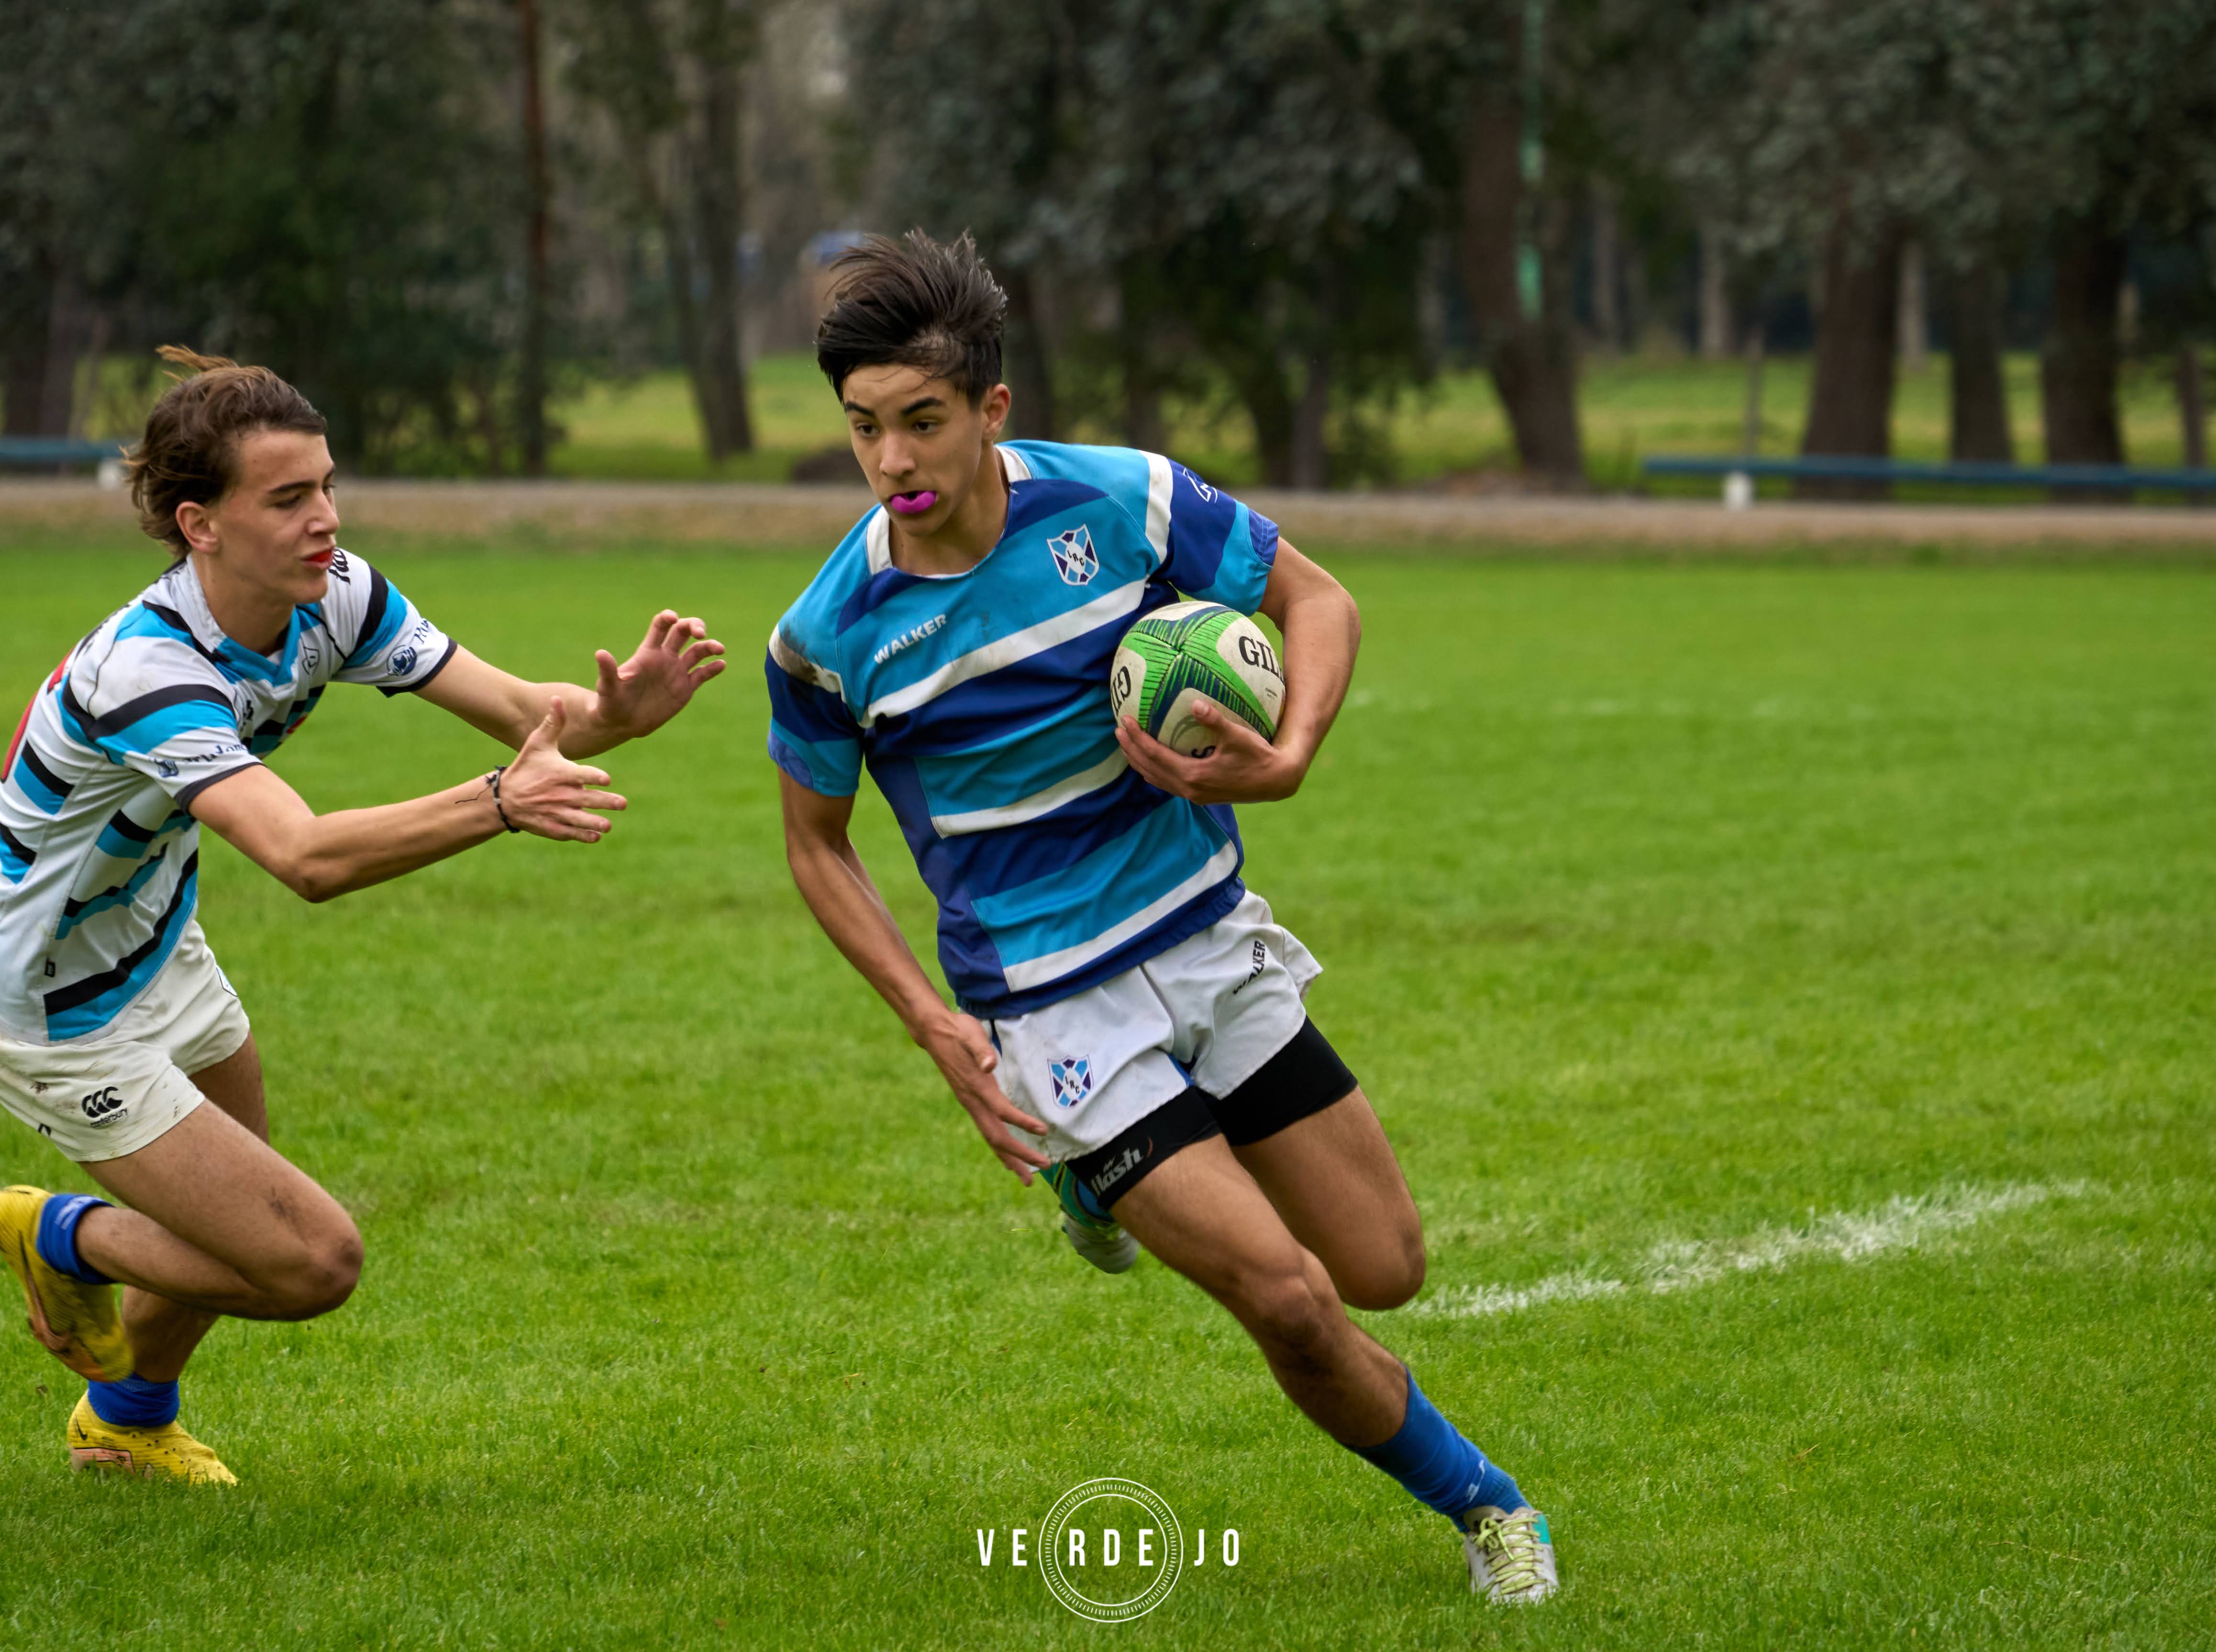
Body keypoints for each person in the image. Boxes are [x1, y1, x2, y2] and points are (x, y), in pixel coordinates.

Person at [764, 233, 1558, 1604]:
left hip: (1206, 931)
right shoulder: (831, 632)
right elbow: (816, 846)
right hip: (1052, 1005)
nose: (892, 460)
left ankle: (1096, 1179)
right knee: (1292, 1297)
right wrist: (933, 1025)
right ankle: (1491, 1507)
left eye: (922, 422)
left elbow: (1317, 598)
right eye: (863, 429)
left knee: (1383, 1265)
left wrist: (1291, 747)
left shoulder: (1124, 503)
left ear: (993, 409)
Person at [0, 348, 725, 1483]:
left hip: (150, 935)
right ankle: (58, 1233)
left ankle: (126, 1419)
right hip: (45, 999)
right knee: (310, 1261)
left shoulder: (333, 596)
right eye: (288, 499)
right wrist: (500, 804)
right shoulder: (146, 668)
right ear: (201, 525)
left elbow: (528, 716)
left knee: (234, 1212)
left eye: (328, 485)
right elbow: (303, 855)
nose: (324, 519)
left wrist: (617, 712)